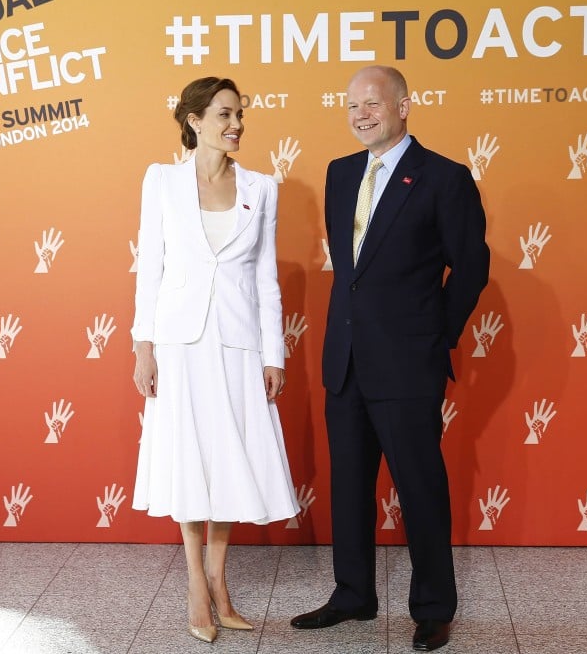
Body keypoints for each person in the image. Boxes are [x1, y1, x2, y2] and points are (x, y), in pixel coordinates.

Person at [290, 66, 490, 652]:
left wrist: (435, 336)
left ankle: (432, 606)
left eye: (372, 104)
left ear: (405, 106)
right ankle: (352, 594)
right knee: (349, 486)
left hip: (409, 364)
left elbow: (471, 269)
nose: (360, 114)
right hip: (346, 359)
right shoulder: (340, 172)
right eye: (351, 105)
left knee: (420, 488)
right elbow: (352, 276)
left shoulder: (445, 178)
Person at [131, 76, 300, 644]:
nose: (236, 125)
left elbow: (265, 278)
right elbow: (148, 266)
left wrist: (272, 353)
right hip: (179, 343)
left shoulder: (261, 186)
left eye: (239, 114)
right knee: (189, 458)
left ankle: (219, 581)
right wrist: (143, 345)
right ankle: (196, 588)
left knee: (229, 458)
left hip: (236, 341)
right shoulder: (162, 182)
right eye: (224, 114)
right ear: (194, 119)